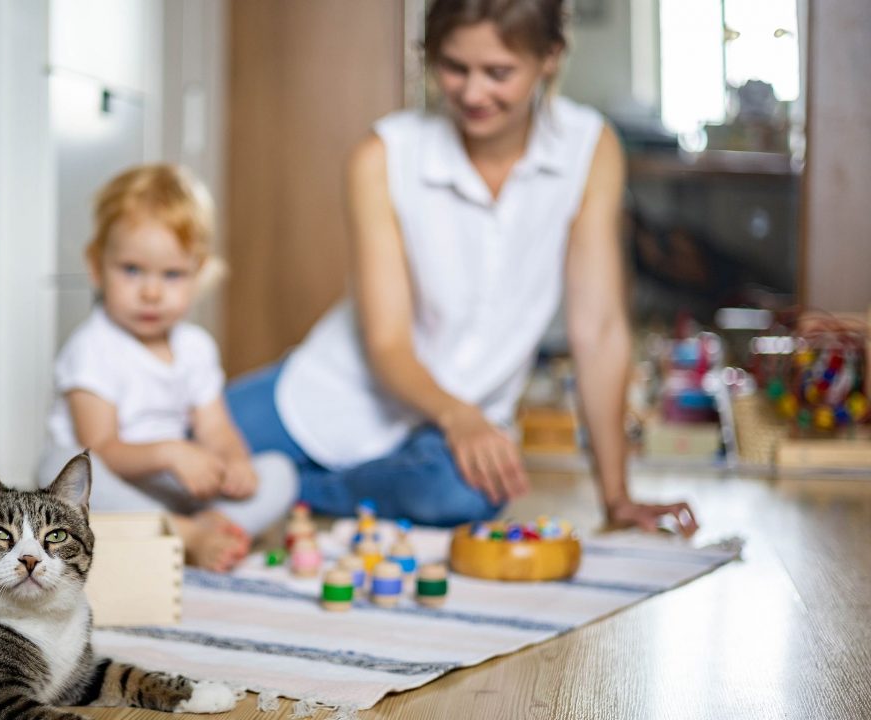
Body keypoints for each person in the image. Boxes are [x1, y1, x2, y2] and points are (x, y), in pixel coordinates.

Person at [226, 0, 697, 535]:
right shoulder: (382, 155)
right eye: (454, 67)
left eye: (498, 73)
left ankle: (290, 490)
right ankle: (288, 483)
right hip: (333, 396)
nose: (473, 94)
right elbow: (387, 343)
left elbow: (600, 330)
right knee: (164, 455)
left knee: (467, 491)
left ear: (550, 57)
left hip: (452, 440)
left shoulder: (590, 148)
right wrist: (459, 416)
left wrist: (617, 497)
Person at [37, 164, 298, 571]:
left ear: (199, 274)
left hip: (174, 490)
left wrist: (235, 462)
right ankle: (187, 535)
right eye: (131, 270)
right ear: (96, 265)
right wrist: (170, 453)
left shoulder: (195, 347)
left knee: (278, 471)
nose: (152, 292)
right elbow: (100, 448)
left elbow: (216, 429)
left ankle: (206, 524)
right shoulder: (92, 347)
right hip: (110, 492)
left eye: (173, 274)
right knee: (59, 465)